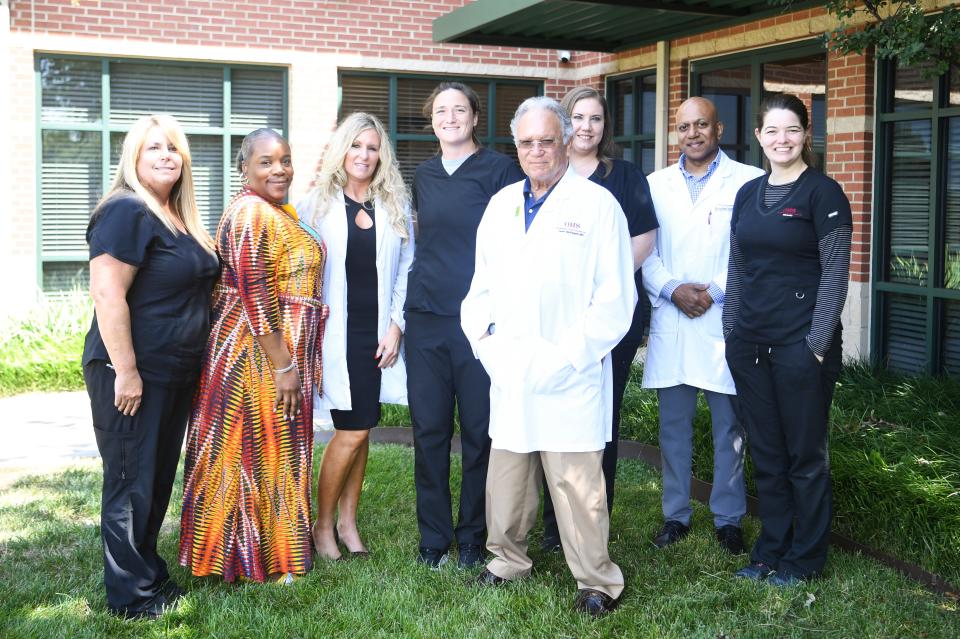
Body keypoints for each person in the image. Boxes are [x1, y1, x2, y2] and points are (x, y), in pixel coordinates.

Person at [461, 97, 635, 618]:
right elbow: (480, 289)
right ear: (516, 148)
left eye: (547, 141)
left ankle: (597, 580)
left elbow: (615, 300)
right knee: (508, 478)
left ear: (566, 143)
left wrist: (566, 357)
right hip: (510, 368)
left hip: (570, 371)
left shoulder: (597, 206)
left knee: (577, 484)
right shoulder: (500, 206)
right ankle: (505, 561)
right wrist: (487, 345)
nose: (537, 151)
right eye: (526, 142)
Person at [82, 114, 219, 618]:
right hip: (131, 372)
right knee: (128, 479)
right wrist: (128, 371)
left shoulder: (174, 215)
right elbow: (107, 293)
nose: (166, 156)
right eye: (153, 148)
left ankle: (148, 573)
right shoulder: (126, 210)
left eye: (174, 149)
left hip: (173, 372)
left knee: (156, 476)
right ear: (133, 159)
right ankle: (131, 597)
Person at [179, 128, 328, 584]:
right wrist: (283, 366)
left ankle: (274, 554)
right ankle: (250, 560)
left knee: (274, 452)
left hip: (274, 354)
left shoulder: (275, 211)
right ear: (244, 168)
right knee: (256, 452)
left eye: (284, 159)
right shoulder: (249, 213)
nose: (278, 169)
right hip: (254, 360)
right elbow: (256, 295)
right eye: (265, 162)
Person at [723, 93, 851, 586]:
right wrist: (731, 331)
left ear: (805, 135)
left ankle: (805, 558)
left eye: (791, 130)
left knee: (805, 457)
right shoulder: (747, 194)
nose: (782, 140)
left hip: (801, 346)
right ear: (759, 137)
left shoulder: (823, 193)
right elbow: (737, 267)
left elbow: (836, 272)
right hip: (750, 343)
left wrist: (815, 346)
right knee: (768, 453)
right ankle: (769, 550)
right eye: (772, 131)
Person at [405, 82, 524, 569]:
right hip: (427, 319)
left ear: (475, 118)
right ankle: (434, 539)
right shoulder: (423, 175)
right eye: (441, 111)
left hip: (482, 324)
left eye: (459, 110)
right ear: (432, 120)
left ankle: (473, 536)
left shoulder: (501, 171)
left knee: (480, 433)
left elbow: (517, 245)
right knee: (429, 431)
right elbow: (415, 243)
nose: (450, 117)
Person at [538, 86, 659, 552]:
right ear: (563, 122)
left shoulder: (624, 177)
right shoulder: (546, 172)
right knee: (552, 412)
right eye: (578, 117)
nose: (586, 127)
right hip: (553, 318)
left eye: (595, 119)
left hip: (611, 319)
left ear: (605, 127)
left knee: (597, 418)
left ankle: (591, 523)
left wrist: (596, 288)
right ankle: (552, 524)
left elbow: (643, 239)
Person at [641, 97, 764, 555]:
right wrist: (672, 288)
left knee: (730, 428)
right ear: (676, 132)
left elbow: (752, 250)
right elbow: (642, 250)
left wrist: (713, 291)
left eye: (702, 125)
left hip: (723, 319)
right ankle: (676, 515)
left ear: (719, 129)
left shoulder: (748, 182)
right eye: (684, 126)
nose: (692, 133)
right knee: (673, 428)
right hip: (673, 316)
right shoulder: (655, 185)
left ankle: (728, 519)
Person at [298, 112, 414, 560]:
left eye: (372, 147)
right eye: (356, 146)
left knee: (362, 428)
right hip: (335, 334)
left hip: (377, 333)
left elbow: (408, 269)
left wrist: (396, 326)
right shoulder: (315, 205)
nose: (364, 155)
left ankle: (348, 522)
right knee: (351, 429)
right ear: (341, 151)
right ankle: (322, 525)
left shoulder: (394, 206)